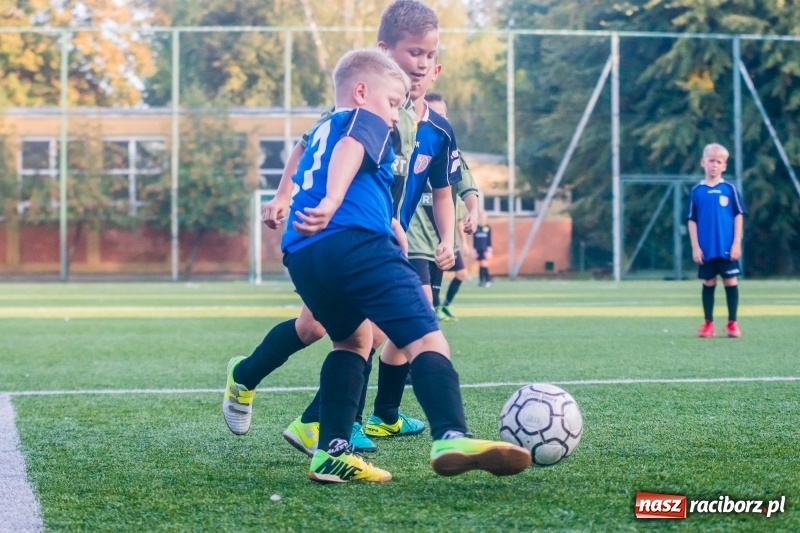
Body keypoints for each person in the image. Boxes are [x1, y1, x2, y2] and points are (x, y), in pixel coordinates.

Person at [280, 48, 531, 483]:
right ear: (361, 92)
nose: (395, 115)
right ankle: (451, 433)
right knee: (426, 337)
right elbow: (352, 147)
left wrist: (390, 222)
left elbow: (350, 174)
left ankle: (331, 452)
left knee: (353, 341)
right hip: (355, 243)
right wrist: (334, 201)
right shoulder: (362, 119)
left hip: (303, 252)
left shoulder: (321, 127)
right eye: (393, 103)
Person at [222, 0, 456, 454]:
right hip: (344, 233)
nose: (421, 64)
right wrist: (284, 196)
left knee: (365, 334)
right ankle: (249, 377)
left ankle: (327, 426)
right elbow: (315, 147)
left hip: (371, 232)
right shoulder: (364, 107)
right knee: (319, 329)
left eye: (429, 56)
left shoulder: (435, 128)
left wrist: (419, 230)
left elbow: (438, 189)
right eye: (413, 54)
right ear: (385, 53)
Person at [687, 143, 745, 338]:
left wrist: (736, 242)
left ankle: (732, 323)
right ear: (703, 162)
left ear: (724, 166)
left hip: (727, 247)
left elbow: (738, 216)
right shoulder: (697, 191)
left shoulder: (730, 190)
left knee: (730, 280)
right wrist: (695, 246)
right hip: (706, 248)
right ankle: (708, 324)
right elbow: (692, 220)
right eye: (711, 161)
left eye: (719, 162)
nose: (714, 165)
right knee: (708, 281)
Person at [473, 212, 493, 287]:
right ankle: (481, 280)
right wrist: (474, 249)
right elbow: (474, 239)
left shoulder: (488, 228)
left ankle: (487, 279)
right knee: (481, 264)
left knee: (484, 263)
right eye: (481, 218)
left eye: (484, 218)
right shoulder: (476, 228)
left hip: (485, 249)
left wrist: (489, 249)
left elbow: (489, 239)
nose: (482, 220)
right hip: (478, 249)